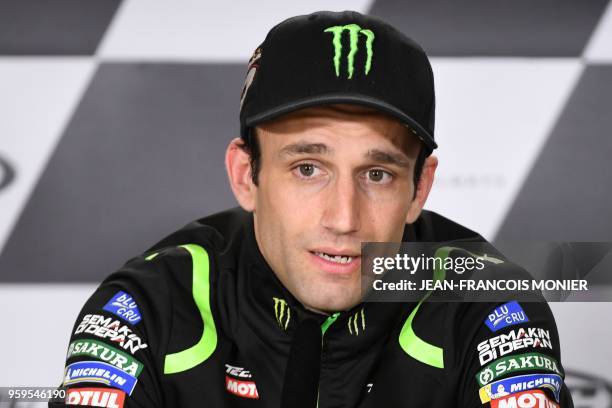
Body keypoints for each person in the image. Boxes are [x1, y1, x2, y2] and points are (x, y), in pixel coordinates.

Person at [50, 10, 573, 408]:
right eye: (307, 168)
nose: (343, 218)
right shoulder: (153, 307)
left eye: (377, 174)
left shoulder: (487, 307)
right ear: (245, 176)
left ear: (419, 189)